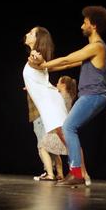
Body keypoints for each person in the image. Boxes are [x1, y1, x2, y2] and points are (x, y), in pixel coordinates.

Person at [29, 6, 106, 186]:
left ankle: (76, 173)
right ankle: (77, 173)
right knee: (69, 128)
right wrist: (44, 67)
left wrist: (43, 65)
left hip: (94, 95)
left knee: (69, 127)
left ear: (93, 26)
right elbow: (66, 66)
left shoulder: (97, 47)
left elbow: (67, 59)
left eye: (85, 22)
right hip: (90, 96)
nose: (82, 26)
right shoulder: (91, 48)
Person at [23, 26, 68, 181]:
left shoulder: (34, 56)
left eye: (31, 33)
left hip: (48, 107)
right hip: (50, 104)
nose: (27, 34)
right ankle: (72, 172)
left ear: (37, 39)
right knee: (61, 140)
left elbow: (39, 61)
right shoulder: (34, 58)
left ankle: (54, 173)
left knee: (54, 142)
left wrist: (38, 58)